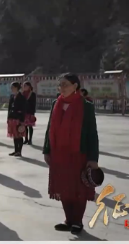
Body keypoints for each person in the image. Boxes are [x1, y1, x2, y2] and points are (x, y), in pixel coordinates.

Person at [42, 73, 100, 235]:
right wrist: (46, 150)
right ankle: (68, 220)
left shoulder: (86, 106)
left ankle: (78, 221)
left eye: (65, 84)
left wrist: (93, 158)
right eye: (60, 85)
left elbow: (92, 133)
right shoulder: (56, 104)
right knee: (63, 187)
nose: (62, 88)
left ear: (75, 86)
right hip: (59, 153)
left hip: (78, 153)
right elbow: (50, 129)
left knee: (78, 188)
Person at [7, 81, 27, 157]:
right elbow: (9, 108)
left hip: (18, 118)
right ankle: (16, 150)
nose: (11, 89)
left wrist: (22, 120)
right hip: (12, 118)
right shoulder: (12, 96)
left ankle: (19, 151)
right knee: (14, 135)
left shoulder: (22, 97)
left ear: (16, 88)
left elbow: (24, 110)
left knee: (19, 135)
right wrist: (8, 117)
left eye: (12, 87)